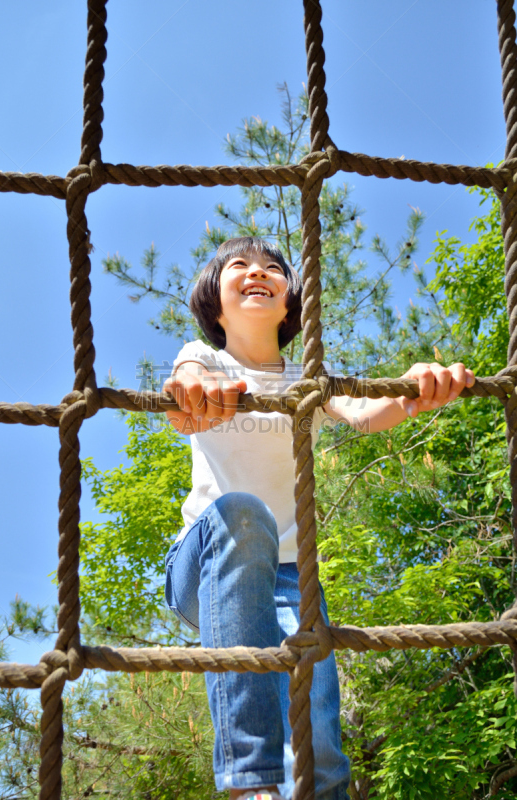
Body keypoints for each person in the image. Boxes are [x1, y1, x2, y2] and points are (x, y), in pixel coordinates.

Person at [163, 237, 475, 800]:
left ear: (289, 305)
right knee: (243, 515)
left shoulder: (309, 381)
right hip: (208, 559)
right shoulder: (207, 358)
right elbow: (188, 378)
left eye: (273, 270)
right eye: (240, 266)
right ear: (214, 304)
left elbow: (363, 411)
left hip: (289, 577)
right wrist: (193, 392)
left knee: (319, 739)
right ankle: (250, 782)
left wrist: (412, 391)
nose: (258, 272)